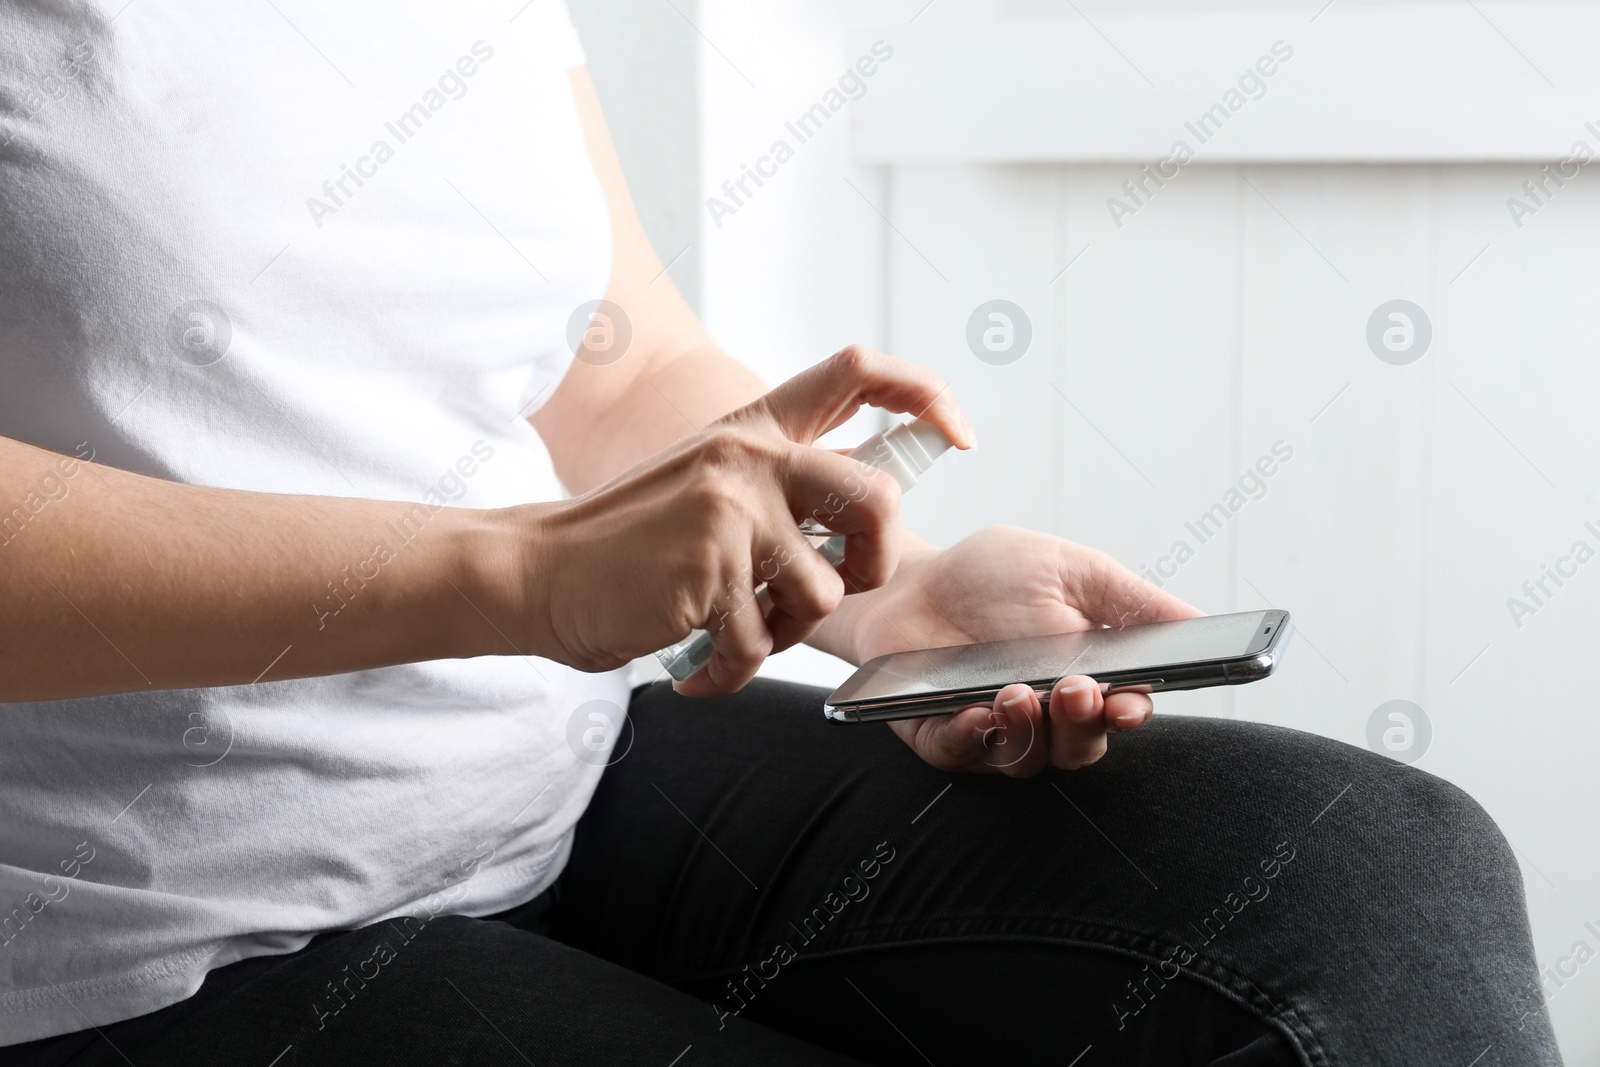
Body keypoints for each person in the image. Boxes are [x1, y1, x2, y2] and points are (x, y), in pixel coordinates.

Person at [0, 2, 1562, 1064]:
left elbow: (616, 363)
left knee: (1372, 877)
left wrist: (881, 595)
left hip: (541, 774)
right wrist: (527, 574)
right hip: (149, 925)